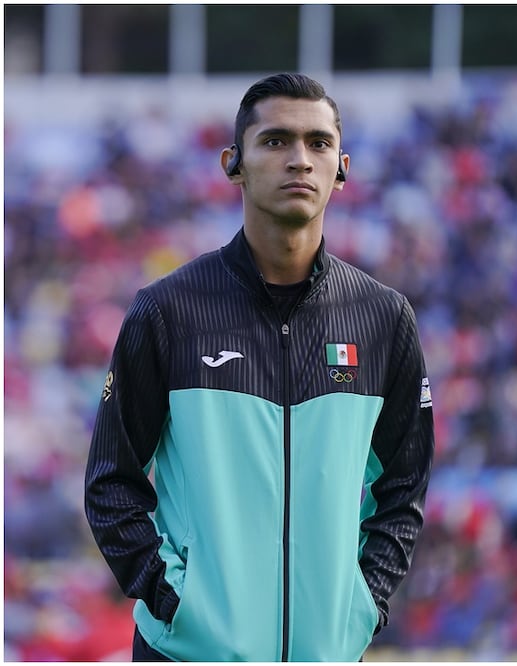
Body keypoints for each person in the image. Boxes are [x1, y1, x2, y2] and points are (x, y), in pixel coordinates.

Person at [83, 73, 435, 662]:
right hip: (189, 652)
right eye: (275, 141)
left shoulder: (383, 318)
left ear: (342, 167)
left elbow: (405, 489)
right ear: (233, 163)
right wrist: (177, 600)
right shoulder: (167, 310)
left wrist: (361, 604)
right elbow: (110, 482)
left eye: (318, 144)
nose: (299, 159)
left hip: (324, 651)